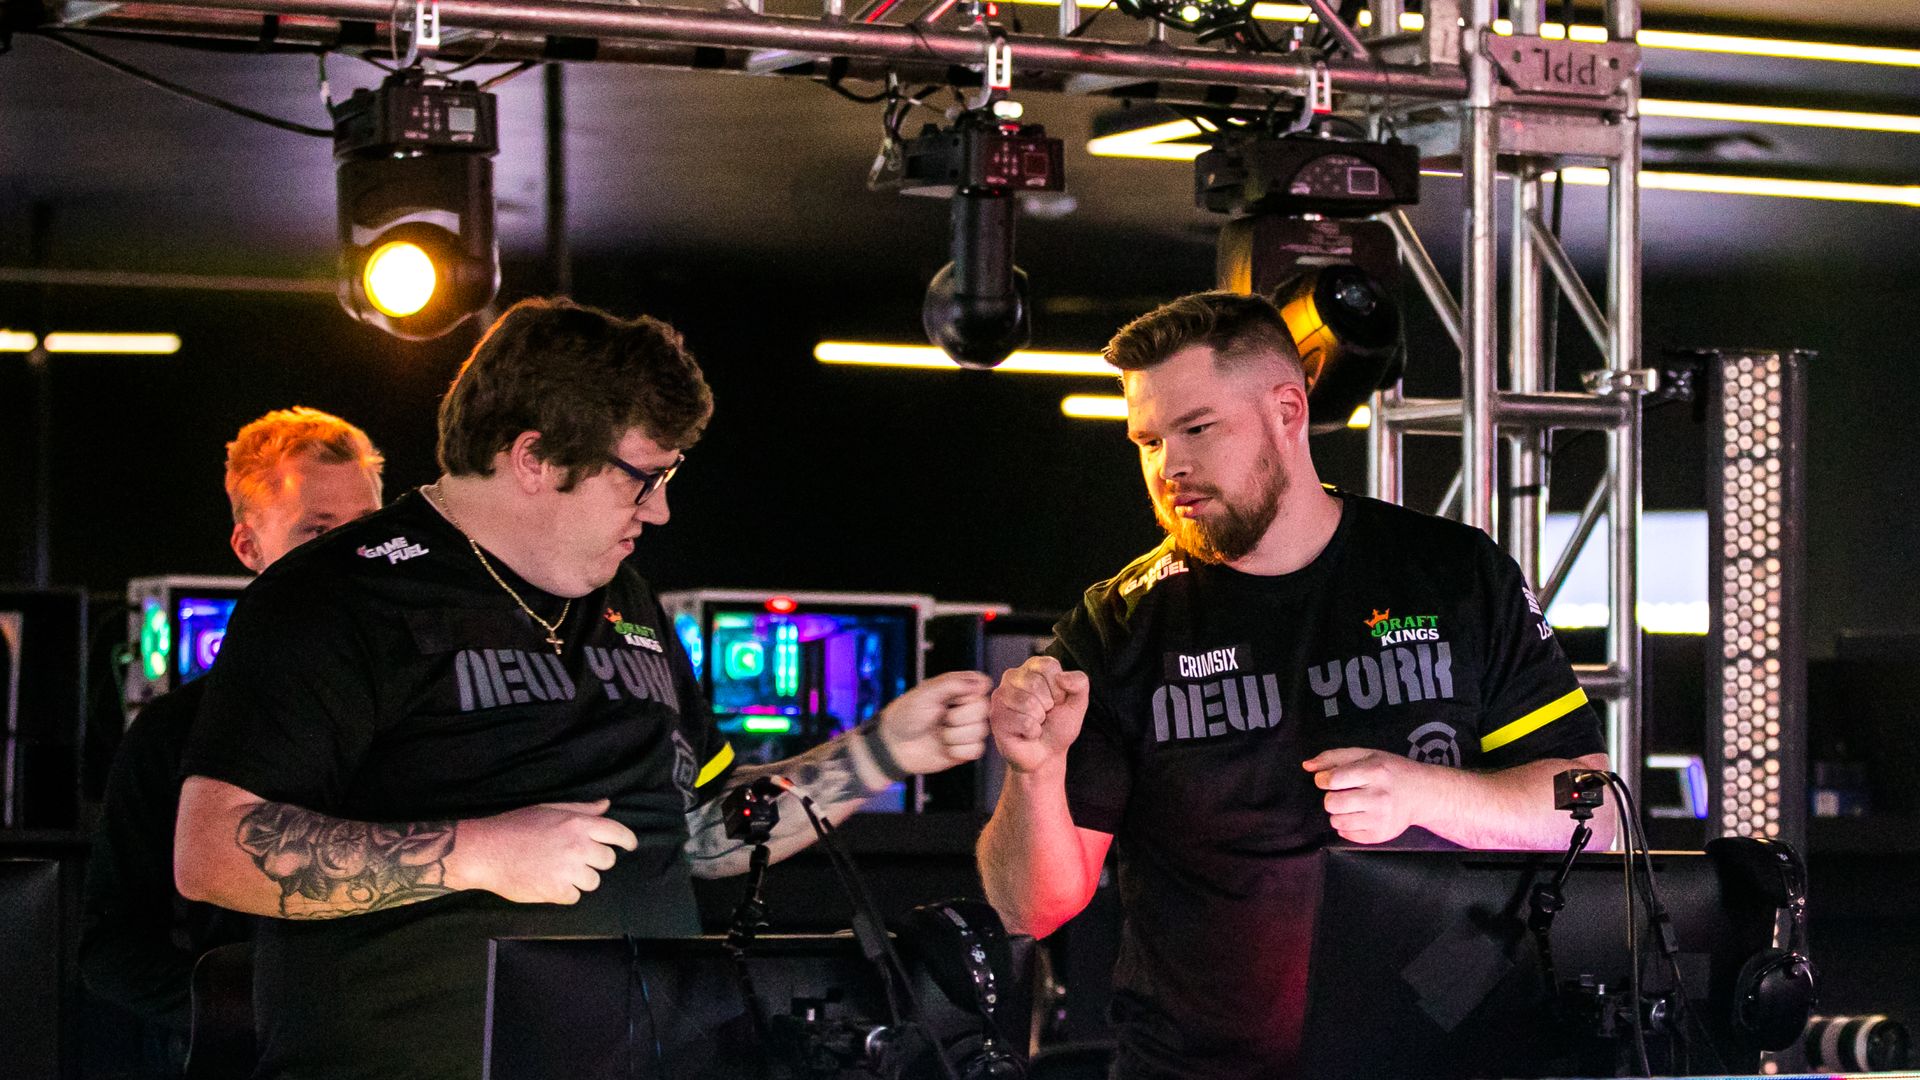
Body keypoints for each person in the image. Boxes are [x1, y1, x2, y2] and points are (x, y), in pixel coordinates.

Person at [172, 298, 993, 1080]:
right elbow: (211, 852)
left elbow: (703, 834)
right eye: (641, 477)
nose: (660, 510)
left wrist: (882, 752)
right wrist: (476, 852)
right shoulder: (337, 595)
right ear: (533, 459)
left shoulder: (625, 597)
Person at [975, 291, 1613, 1080]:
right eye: (1147, 440)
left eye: (1198, 429)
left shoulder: (1452, 571)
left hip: (1450, 1058)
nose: (1169, 466)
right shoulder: (1118, 626)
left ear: (1286, 409)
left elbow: (1595, 811)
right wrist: (1032, 774)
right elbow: (1027, 907)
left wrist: (1426, 797)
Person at [80, 406, 387, 1076]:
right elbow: (111, 950)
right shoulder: (171, 732)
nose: (350, 555)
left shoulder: (429, 704)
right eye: (317, 531)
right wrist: (249, 1007)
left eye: (366, 530)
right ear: (249, 548)